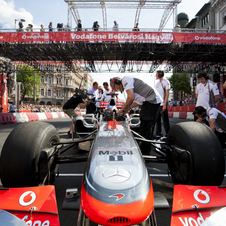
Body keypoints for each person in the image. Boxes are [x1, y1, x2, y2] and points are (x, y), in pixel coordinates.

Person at [110, 76, 162, 155]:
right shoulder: (133, 88)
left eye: (114, 88)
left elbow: (131, 97)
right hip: (151, 101)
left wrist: (123, 109)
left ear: (117, 83)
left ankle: (144, 153)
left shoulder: (125, 79)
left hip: (152, 100)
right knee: (145, 127)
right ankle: (146, 149)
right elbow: (137, 102)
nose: (116, 90)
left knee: (145, 128)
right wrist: (127, 109)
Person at [155, 70, 171, 137]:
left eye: (156, 74)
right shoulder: (157, 84)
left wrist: (165, 104)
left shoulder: (166, 82)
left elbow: (167, 94)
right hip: (157, 104)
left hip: (163, 104)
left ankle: (169, 134)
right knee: (157, 120)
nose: (155, 75)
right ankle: (158, 133)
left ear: (160, 74)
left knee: (165, 121)